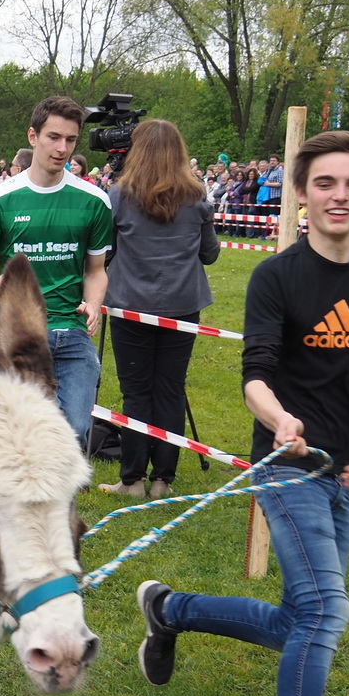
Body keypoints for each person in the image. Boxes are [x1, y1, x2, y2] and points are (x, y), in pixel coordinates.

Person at [135, 129, 349, 696]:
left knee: (300, 622)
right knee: (324, 608)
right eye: (325, 184)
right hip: (285, 464)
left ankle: (170, 609)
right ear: (302, 194)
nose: (340, 196)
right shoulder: (278, 278)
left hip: (343, 467)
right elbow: (254, 372)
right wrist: (277, 417)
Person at [0, 96, 111, 447]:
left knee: (73, 429)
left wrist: (93, 303)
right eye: (53, 137)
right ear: (33, 136)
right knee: (17, 430)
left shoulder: (95, 201)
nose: (62, 148)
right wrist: (2, 284)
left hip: (72, 333)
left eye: (71, 140)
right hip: (17, 331)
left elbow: (96, 270)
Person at [100, 119, 221, 499]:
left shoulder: (118, 196)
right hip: (181, 307)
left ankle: (133, 479)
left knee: (137, 393)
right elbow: (210, 253)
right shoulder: (197, 196)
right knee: (170, 390)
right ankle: (161, 480)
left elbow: (105, 253)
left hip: (130, 306)